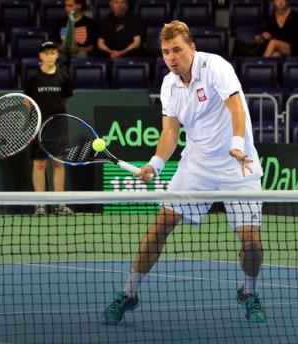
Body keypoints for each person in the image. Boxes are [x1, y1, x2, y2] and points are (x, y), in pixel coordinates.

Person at [100, 20, 267, 325]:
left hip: (238, 164)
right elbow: (170, 131)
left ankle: (249, 291)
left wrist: (237, 143)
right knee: (160, 224)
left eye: (177, 49)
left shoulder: (216, 67)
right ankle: (129, 292)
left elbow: (236, 107)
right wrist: (155, 164)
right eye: (165, 52)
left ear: (192, 48)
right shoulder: (169, 84)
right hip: (197, 165)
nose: (171, 57)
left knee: (251, 241)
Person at [23, 41, 74, 215]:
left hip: (58, 125)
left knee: (58, 163)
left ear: (57, 55)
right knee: (39, 164)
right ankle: (40, 205)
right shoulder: (32, 77)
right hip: (38, 125)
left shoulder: (64, 76)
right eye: (46, 53)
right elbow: (27, 101)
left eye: (53, 53)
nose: (50, 56)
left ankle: (61, 204)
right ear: (41, 56)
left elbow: (65, 97)